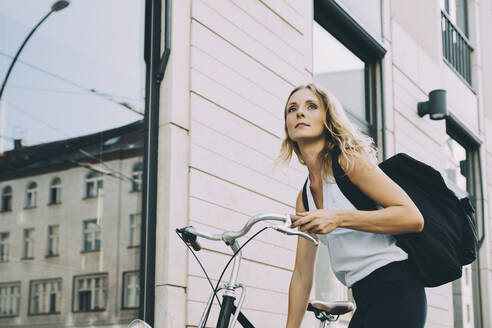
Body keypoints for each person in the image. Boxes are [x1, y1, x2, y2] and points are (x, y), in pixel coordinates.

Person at [280, 83, 427, 328]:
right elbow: (302, 275)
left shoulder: (349, 162)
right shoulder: (304, 197)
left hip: (398, 288)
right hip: (364, 295)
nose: (300, 113)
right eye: (292, 109)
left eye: (311, 106)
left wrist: (337, 218)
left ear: (327, 117)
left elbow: (412, 217)